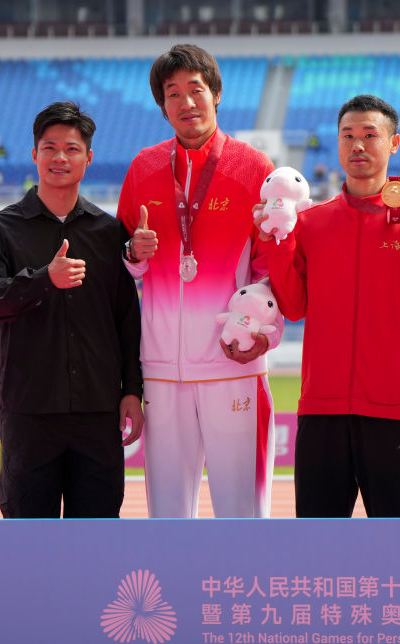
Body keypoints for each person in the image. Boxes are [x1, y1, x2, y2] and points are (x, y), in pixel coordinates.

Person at [263, 94, 400, 518]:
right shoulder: (310, 222)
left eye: (370, 135)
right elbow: (293, 307)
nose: (357, 145)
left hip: (393, 408)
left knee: (399, 543)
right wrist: (278, 241)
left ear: (394, 143)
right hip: (321, 409)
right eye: (347, 135)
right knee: (318, 543)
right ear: (337, 142)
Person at [119, 44, 282, 519]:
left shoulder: (254, 168)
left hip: (233, 364)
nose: (186, 102)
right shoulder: (144, 168)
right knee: (167, 517)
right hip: (162, 372)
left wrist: (266, 334)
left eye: (196, 89)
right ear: (162, 105)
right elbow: (121, 261)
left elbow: (272, 266)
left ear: (216, 93)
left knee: (243, 514)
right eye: (173, 93)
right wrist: (133, 253)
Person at [0, 101, 143, 518]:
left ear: (88, 158)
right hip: (29, 411)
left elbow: (126, 320)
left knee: (96, 534)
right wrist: (44, 279)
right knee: (28, 536)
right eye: (50, 147)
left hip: (98, 413)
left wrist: (132, 390)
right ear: (34, 154)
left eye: (72, 149)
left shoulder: (108, 232)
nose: (60, 157)